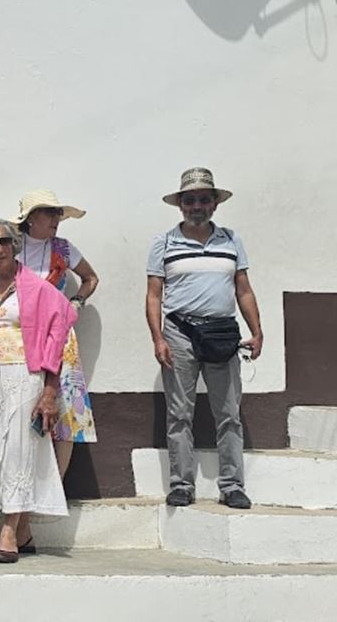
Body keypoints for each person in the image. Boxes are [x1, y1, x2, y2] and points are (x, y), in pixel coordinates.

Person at [0, 218, 75, 563]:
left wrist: (49, 389)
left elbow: (62, 324)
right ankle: (23, 533)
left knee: (18, 448)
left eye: (4, 241)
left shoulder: (36, 288)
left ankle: (8, 532)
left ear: (14, 245)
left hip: (24, 373)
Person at [146, 168, 261, 510]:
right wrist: (158, 338)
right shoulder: (164, 243)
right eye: (190, 200)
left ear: (214, 204)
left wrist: (257, 331)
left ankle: (232, 486)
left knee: (228, 413)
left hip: (222, 333)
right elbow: (153, 296)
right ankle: (181, 484)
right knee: (179, 413)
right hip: (179, 334)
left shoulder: (231, 240)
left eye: (204, 199)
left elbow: (243, 289)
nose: (197, 206)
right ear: (180, 204)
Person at [13, 189, 100, 477]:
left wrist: (76, 302)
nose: (56, 219)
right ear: (31, 217)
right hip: (21, 335)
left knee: (65, 408)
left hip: (59, 334)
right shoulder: (12, 247)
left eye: (58, 214)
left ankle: (58, 484)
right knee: (23, 401)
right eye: (50, 213)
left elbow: (91, 278)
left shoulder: (63, 249)